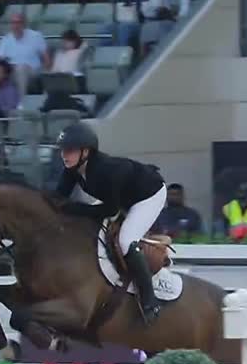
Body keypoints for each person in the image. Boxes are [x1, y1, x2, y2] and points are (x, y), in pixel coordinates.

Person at [54, 122, 167, 325]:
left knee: (126, 240)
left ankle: (150, 300)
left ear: (86, 151)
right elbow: (57, 200)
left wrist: (73, 209)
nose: (64, 155)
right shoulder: (72, 170)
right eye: (62, 150)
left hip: (148, 195)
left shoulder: (106, 170)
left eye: (69, 150)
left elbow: (110, 211)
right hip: (120, 198)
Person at [0, 12, 49, 98]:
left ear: (24, 24)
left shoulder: (36, 36)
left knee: (21, 68)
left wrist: (44, 73)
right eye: (13, 23)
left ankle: (21, 101)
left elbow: (46, 59)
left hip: (32, 71)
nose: (15, 26)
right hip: (11, 71)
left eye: (18, 22)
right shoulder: (5, 39)